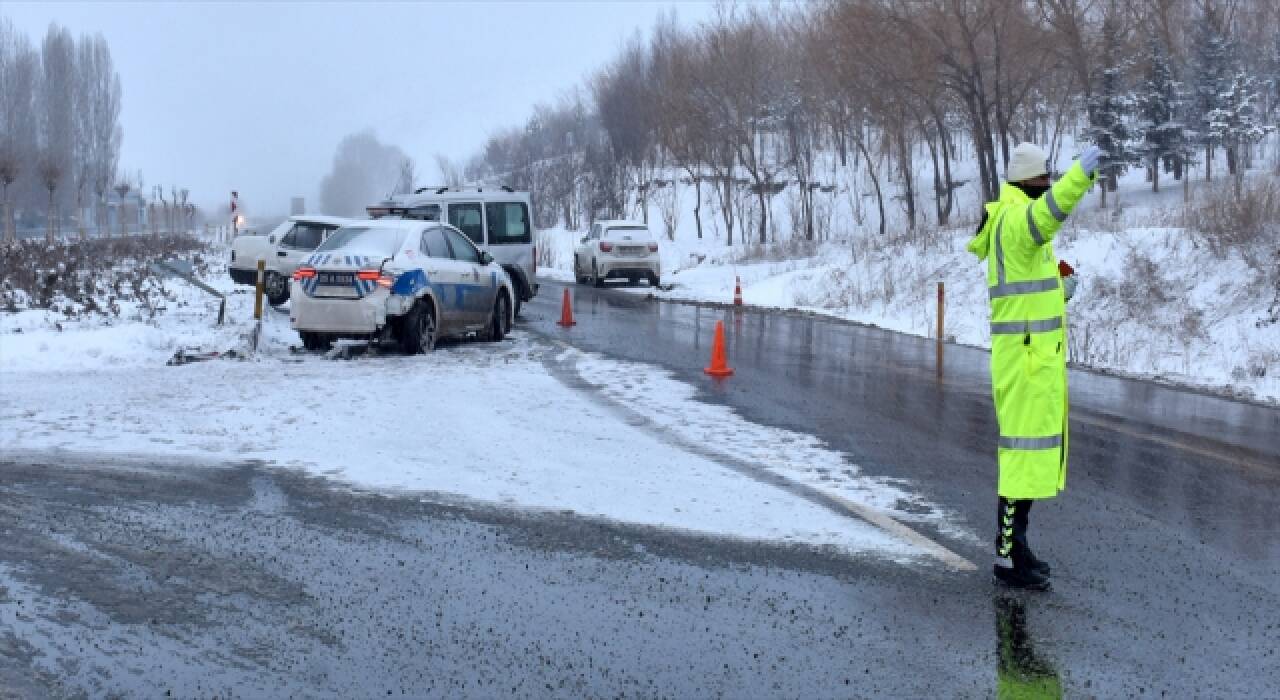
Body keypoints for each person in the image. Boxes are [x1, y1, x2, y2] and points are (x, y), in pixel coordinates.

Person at [967, 142, 1100, 590]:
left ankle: (1017, 548)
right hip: (1024, 363)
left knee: (1027, 459)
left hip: (1030, 359)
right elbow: (1048, 214)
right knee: (1019, 460)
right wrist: (1079, 177)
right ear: (1030, 181)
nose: (1047, 187)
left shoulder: (1015, 222)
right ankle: (1007, 557)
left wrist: (1061, 290)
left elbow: (1026, 295)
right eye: (1044, 180)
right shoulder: (1017, 220)